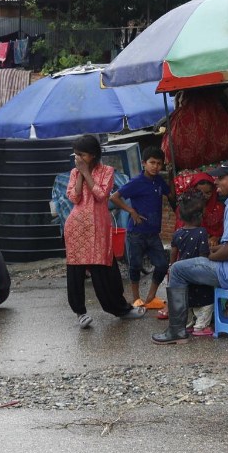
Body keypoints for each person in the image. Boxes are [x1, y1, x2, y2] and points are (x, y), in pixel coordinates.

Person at [153, 161, 228, 345]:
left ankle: (176, 330)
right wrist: (213, 250)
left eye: (221, 178)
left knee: (177, 269)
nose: (216, 182)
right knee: (195, 263)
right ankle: (195, 321)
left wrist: (207, 257)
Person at [64, 134, 147, 327]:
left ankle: (120, 309)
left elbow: (101, 196)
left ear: (92, 155)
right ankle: (80, 313)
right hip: (76, 226)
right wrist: (79, 175)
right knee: (75, 270)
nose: (78, 158)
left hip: (99, 227)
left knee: (104, 269)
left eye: (81, 154)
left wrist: (86, 173)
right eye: (76, 154)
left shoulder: (107, 171)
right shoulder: (74, 172)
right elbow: (74, 198)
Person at [110, 146, 172, 309]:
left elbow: (170, 193)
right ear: (144, 163)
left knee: (162, 265)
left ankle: (150, 297)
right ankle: (136, 298)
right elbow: (115, 197)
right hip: (136, 233)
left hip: (153, 233)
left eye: (159, 164)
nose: (155, 166)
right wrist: (131, 211)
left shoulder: (158, 180)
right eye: (152, 162)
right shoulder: (136, 182)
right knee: (135, 266)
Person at [169, 191, 215, 337]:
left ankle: (190, 323)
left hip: (183, 273)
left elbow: (173, 252)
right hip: (197, 273)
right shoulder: (201, 232)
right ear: (200, 216)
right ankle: (201, 327)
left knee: (190, 300)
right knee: (206, 302)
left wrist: (172, 266)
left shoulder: (177, 233)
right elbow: (203, 256)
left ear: (181, 216)